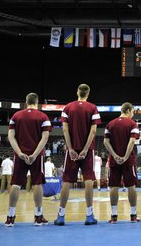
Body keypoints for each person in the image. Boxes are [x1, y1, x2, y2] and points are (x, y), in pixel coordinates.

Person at [54, 84, 101, 226]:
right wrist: (86, 149)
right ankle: (89, 215)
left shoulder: (67, 107)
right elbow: (93, 132)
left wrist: (70, 148)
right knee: (88, 180)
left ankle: (61, 216)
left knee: (67, 181)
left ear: (77, 92)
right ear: (88, 93)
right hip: (88, 150)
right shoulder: (93, 108)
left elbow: (65, 130)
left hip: (72, 150)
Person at [5, 93, 52, 227]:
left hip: (20, 155)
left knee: (16, 184)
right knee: (37, 183)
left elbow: (11, 136)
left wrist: (19, 153)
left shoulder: (16, 116)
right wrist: (35, 154)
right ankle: (38, 217)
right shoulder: (43, 117)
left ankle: (10, 217)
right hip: (37, 156)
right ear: (37, 102)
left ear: (26, 102)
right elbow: (45, 137)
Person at [103, 102, 141, 223]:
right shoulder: (132, 124)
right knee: (131, 186)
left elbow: (105, 142)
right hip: (128, 160)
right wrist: (125, 156)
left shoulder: (110, 124)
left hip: (114, 160)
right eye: (133, 112)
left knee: (113, 186)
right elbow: (131, 141)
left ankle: (114, 216)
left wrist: (114, 155)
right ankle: (133, 215)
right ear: (129, 110)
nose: (133, 114)